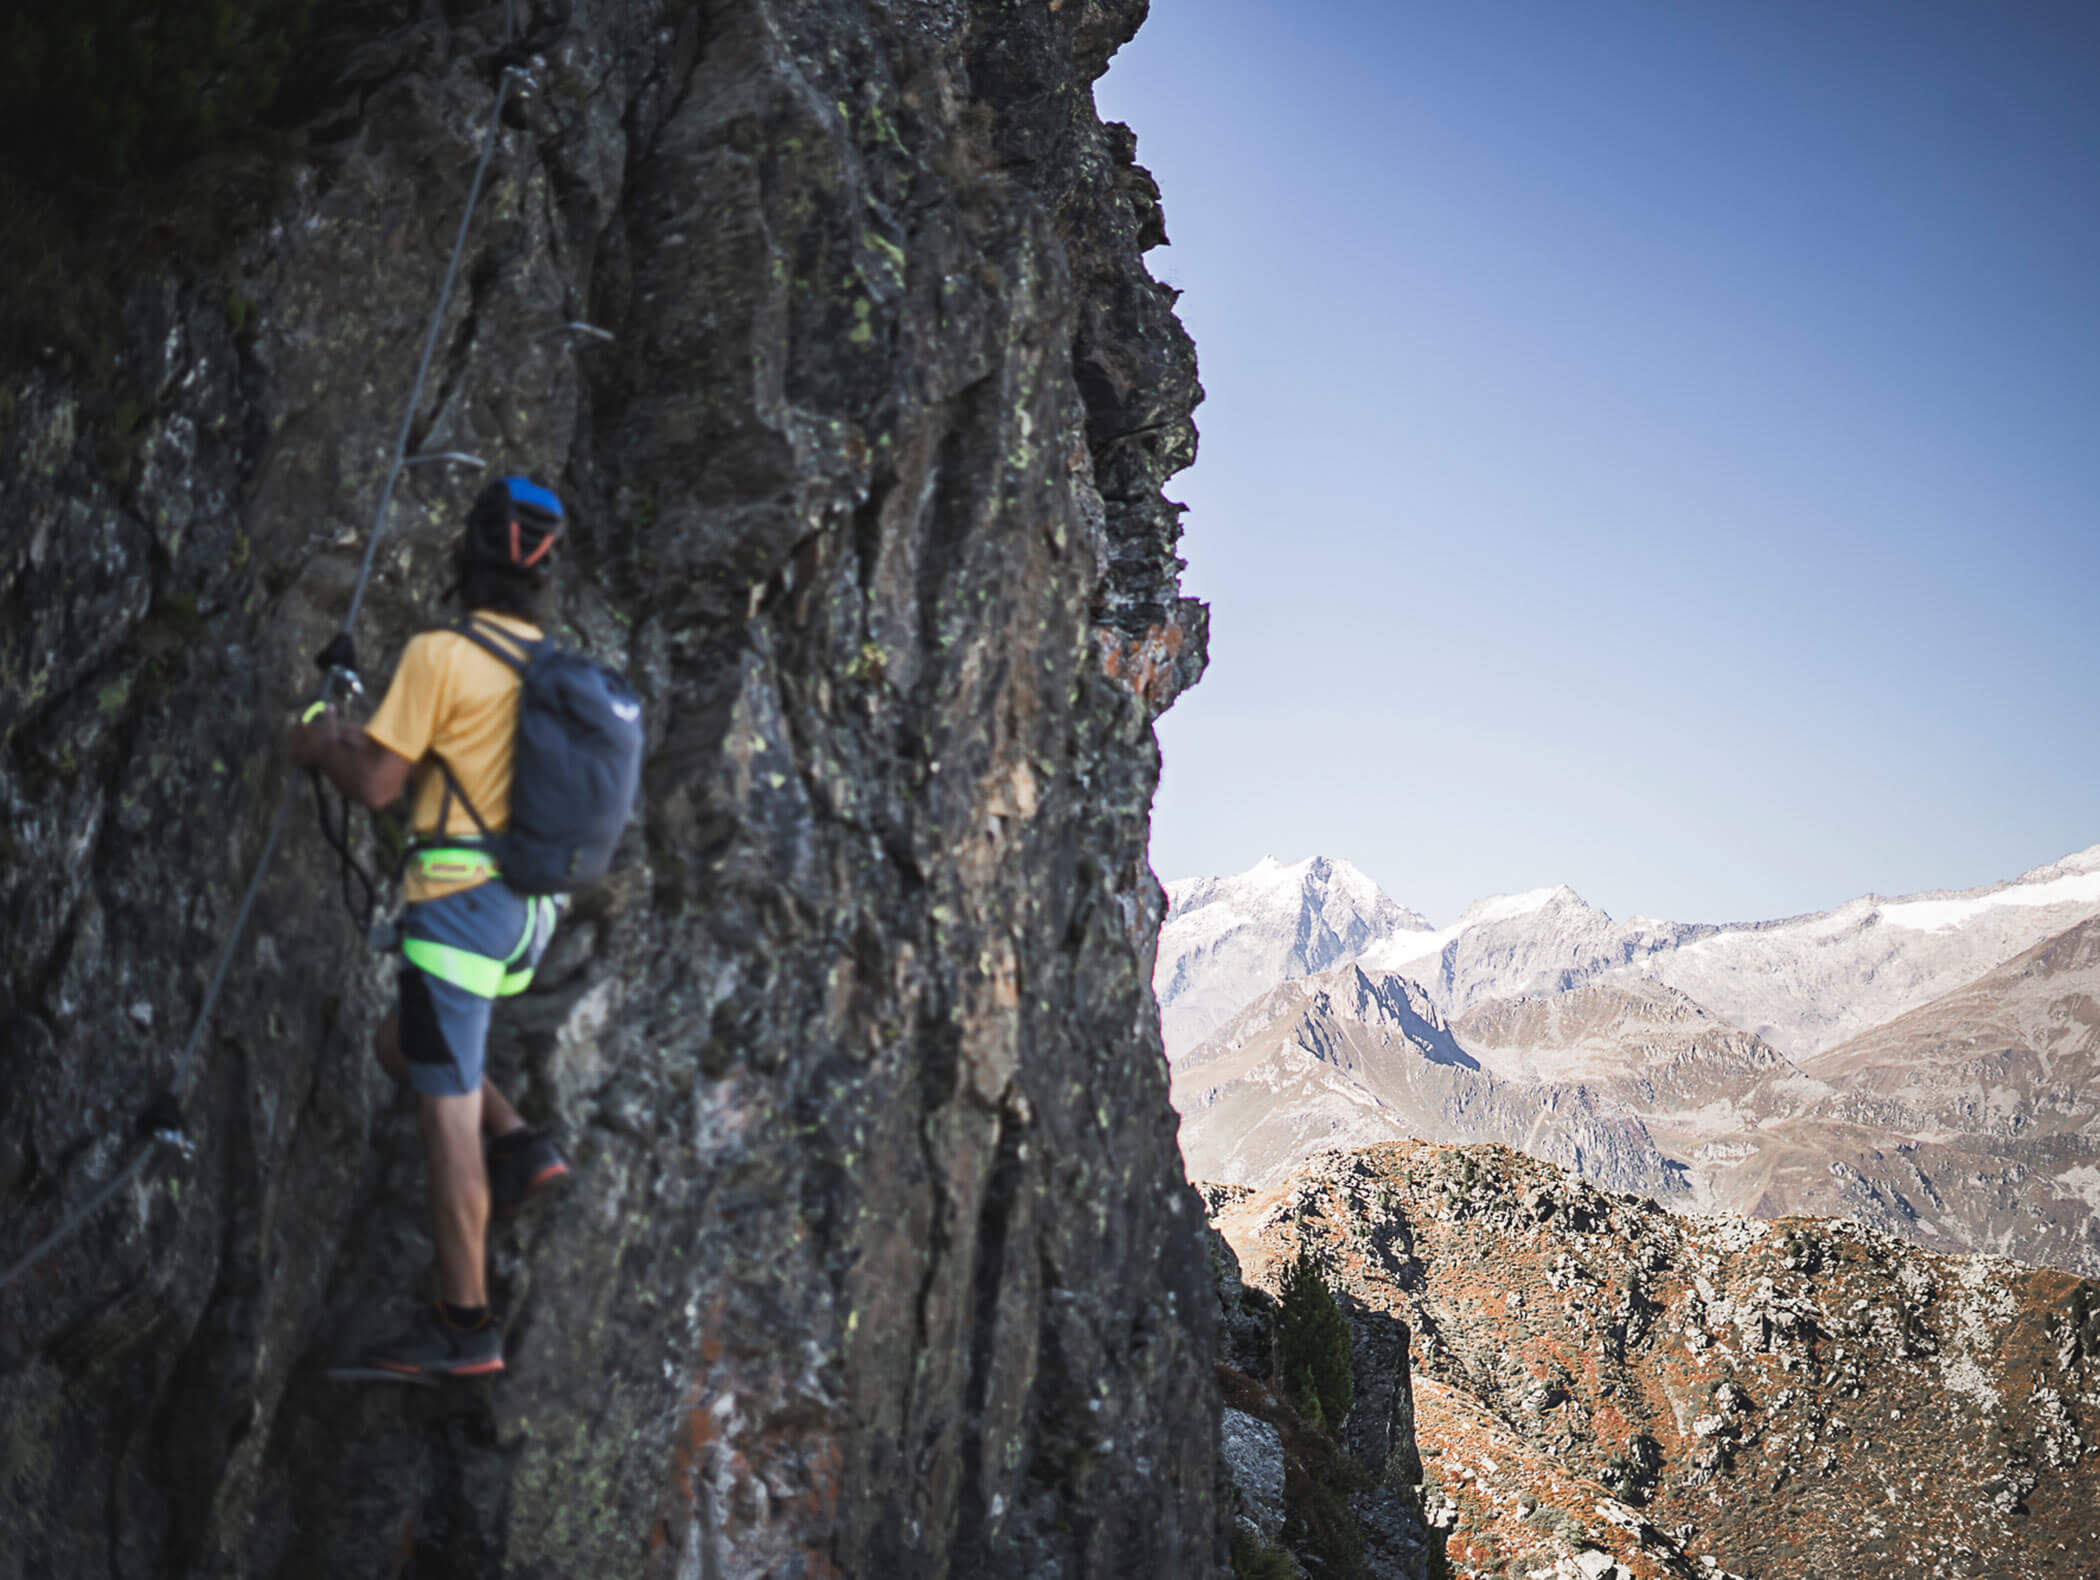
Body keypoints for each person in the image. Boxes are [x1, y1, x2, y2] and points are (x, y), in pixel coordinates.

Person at [291, 475, 575, 1380]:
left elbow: (377, 781)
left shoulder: (443, 656)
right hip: (528, 915)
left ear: (467, 554)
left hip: (459, 908)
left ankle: (465, 1326)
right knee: (400, 1041)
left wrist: (316, 740)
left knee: (441, 1115)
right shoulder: (549, 666)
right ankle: (525, 1144)